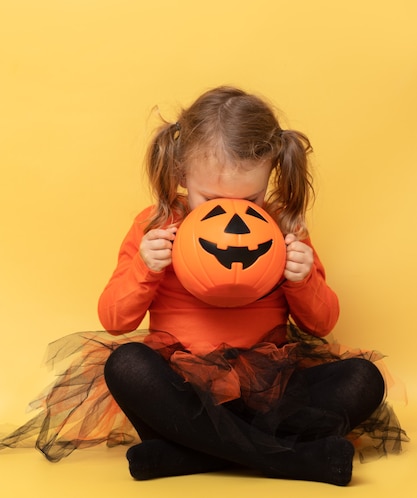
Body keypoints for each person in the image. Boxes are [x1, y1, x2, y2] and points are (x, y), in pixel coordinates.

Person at [0, 86, 407, 483]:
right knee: (125, 365)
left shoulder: (283, 228)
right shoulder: (155, 226)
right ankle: (293, 459)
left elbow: (322, 323)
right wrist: (146, 266)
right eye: (212, 202)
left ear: (270, 174)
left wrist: (301, 281)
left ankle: (189, 454)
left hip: (269, 395)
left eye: (250, 202)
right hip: (185, 397)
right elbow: (115, 320)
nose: (234, 219)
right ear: (180, 172)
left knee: (362, 378)